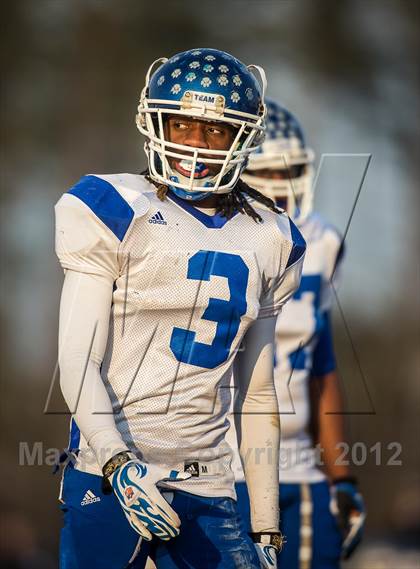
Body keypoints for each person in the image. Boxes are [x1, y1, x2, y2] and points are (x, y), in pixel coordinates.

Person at [55, 50, 306, 569]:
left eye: (214, 132)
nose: (195, 144)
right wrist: (118, 463)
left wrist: (267, 528)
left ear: (243, 139)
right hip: (108, 473)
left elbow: (257, 394)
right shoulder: (116, 208)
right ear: (154, 123)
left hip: (208, 482)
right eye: (183, 125)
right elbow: (78, 364)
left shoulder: (271, 235)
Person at [226, 99, 366, 569]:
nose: (281, 187)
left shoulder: (322, 242)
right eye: (266, 172)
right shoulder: (202, 235)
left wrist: (341, 475)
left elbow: (321, 366)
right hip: (216, 467)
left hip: (300, 469)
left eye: (292, 171)